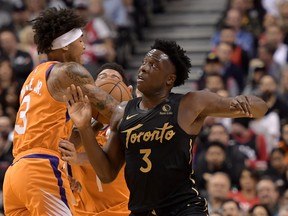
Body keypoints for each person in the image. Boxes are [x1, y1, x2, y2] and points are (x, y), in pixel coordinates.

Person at [65, 39, 268, 215]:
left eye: (153, 65)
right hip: (141, 210)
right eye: (144, 62)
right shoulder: (121, 112)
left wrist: (247, 105)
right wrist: (84, 127)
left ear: (170, 79)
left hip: (183, 208)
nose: (143, 67)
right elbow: (107, 173)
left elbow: (260, 106)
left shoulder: (190, 104)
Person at [2, 7, 119, 216]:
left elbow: (59, 137)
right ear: (65, 46)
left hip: (15, 174)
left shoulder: (33, 77)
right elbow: (114, 112)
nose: (84, 45)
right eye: (80, 39)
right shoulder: (68, 71)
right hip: (41, 169)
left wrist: (63, 169)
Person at [59, 62, 132, 215]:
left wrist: (77, 158)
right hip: (82, 211)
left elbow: (108, 156)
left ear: (128, 91)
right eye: (102, 78)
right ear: (92, 88)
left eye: (115, 78)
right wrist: (66, 177)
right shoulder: (75, 118)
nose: (108, 82)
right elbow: (63, 151)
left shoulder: (127, 124)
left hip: (120, 210)